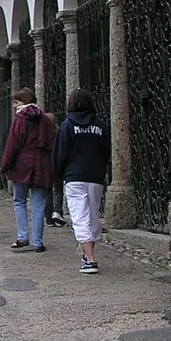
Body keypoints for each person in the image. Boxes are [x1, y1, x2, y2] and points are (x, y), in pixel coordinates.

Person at [55, 88, 110, 274]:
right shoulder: (101, 126)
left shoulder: (67, 126)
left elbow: (61, 153)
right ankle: (88, 253)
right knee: (93, 216)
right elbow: (106, 152)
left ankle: (90, 260)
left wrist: (60, 172)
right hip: (95, 177)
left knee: (80, 217)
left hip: (74, 176)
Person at [0, 86, 56, 252]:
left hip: (22, 163)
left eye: (16, 102)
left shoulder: (20, 118)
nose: (15, 105)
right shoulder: (45, 119)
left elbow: (13, 144)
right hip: (42, 164)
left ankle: (23, 236)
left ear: (23, 102)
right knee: (39, 205)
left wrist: (5, 165)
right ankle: (38, 241)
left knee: (19, 201)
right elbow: (52, 141)